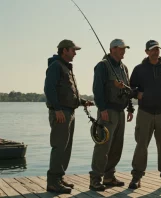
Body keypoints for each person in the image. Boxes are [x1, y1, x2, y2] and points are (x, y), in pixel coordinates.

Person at [44, 39, 93, 194]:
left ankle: (59, 177)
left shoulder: (66, 67)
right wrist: (57, 109)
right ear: (64, 50)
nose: (75, 53)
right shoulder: (55, 66)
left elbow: (68, 93)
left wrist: (82, 101)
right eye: (73, 50)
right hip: (61, 113)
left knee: (66, 147)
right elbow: (49, 89)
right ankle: (53, 182)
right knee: (59, 146)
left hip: (69, 112)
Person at [128, 40, 161, 189]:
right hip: (145, 112)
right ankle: (136, 177)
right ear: (146, 52)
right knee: (141, 145)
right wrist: (137, 95)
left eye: (157, 49)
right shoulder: (139, 69)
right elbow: (130, 89)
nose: (155, 52)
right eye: (152, 50)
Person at [89, 39, 135, 191]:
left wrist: (130, 108)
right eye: (121, 48)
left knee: (117, 146)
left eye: (124, 48)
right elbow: (97, 89)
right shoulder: (102, 66)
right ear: (112, 49)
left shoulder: (124, 68)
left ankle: (109, 176)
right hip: (107, 111)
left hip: (120, 112)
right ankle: (95, 178)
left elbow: (127, 90)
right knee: (103, 145)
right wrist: (102, 109)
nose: (124, 51)